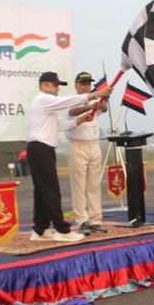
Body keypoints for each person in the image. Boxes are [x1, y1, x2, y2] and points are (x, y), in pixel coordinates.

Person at [27, 72, 112, 242]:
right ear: (45, 85)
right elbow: (67, 103)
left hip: (43, 149)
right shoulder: (42, 99)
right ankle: (62, 230)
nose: (58, 89)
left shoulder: (47, 107)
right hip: (40, 148)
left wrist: (79, 120)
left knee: (42, 191)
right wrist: (96, 95)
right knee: (51, 190)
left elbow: (62, 125)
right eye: (55, 85)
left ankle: (40, 229)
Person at [62, 72, 108, 235]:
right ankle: (82, 220)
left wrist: (103, 99)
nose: (85, 86)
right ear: (76, 85)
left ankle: (96, 219)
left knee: (94, 184)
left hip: (93, 144)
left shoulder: (95, 99)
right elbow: (73, 111)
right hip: (77, 145)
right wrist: (90, 106)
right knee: (79, 185)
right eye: (82, 83)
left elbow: (104, 108)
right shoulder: (71, 100)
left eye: (88, 84)